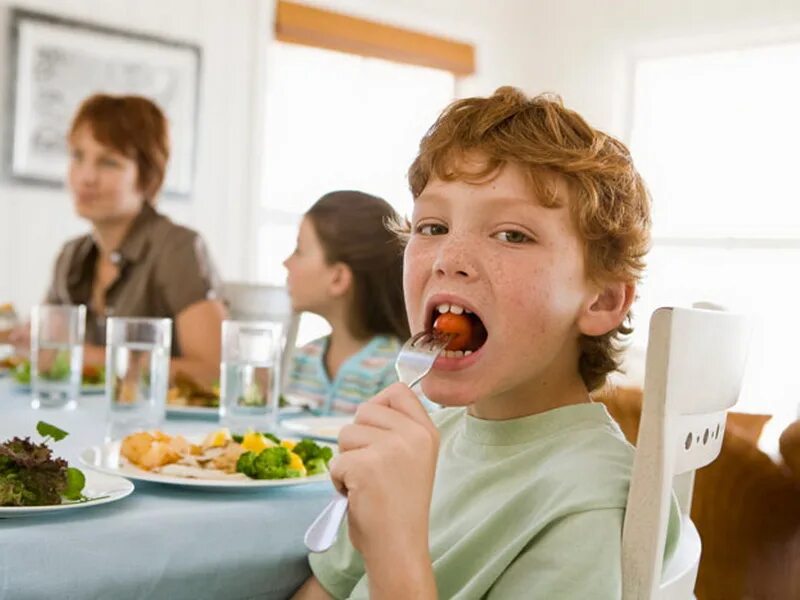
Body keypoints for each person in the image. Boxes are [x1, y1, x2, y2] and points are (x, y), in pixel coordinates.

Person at [293, 88, 680, 599]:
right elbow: (324, 589)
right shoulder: (429, 432)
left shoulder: (589, 502)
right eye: (432, 226)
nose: (448, 257)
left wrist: (395, 546)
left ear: (602, 301)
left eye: (512, 235)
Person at [10, 94, 226, 386]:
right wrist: (30, 341)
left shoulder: (177, 247)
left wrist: (84, 357)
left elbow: (214, 371)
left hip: (164, 429)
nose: (86, 177)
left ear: (147, 176)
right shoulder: (71, 256)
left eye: (109, 162)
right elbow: (50, 350)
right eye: (78, 156)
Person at [283, 191, 410, 415]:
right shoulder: (302, 360)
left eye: (299, 250)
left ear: (338, 278)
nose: (286, 263)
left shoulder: (398, 372)